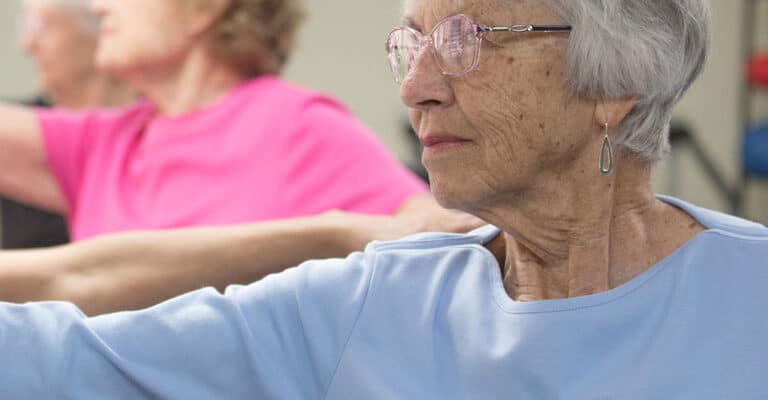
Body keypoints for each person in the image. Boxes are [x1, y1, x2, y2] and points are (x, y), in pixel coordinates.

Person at [4, 0, 768, 397]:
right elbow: (69, 359)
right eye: (412, 44)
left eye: (467, 39)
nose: (414, 89)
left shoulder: (749, 298)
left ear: (616, 83)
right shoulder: (373, 305)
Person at [0, 0, 437, 243]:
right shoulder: (99, 144)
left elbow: (445, 236)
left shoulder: (295, 127)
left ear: (204, 8)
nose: (98, 7)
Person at [1, 0, 136, 249]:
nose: (26, 45)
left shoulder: (148, 131)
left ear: (102, 29)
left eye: (41, 26)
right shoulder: (21, 135)